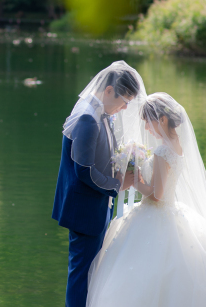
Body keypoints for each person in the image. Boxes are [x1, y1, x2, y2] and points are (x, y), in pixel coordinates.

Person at [87, 93, 206, 307]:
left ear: (162, 120)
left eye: (148, 121)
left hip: (155, 214)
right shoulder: (176, 144)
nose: (146, 128)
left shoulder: (163, 151)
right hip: (172, 211)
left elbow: (156, 195)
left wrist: (135, 180)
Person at [52, 61, 147, 307]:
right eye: (124, 100)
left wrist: (125, 160)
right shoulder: (87, 117)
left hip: (95, 206)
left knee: (90, 273)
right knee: (81, 276)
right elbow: (84, 170)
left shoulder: (101, 112)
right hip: (84, 210)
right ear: (108, 91)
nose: (125, 107)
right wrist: (117, 184)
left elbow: (102, 154)